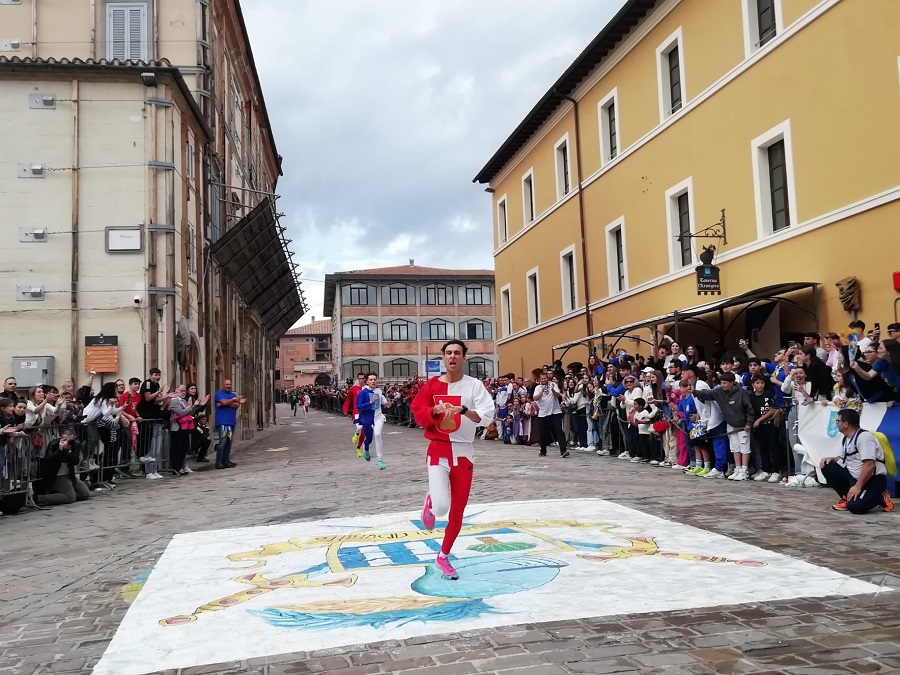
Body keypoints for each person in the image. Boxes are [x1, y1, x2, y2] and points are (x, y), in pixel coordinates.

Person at [411, 340, 496, 580]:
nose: (452, 357)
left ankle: (443, 556)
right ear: (443, 357)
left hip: (463, 453)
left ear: (463, 358)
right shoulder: (431, 385)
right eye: (448, 353)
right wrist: (434, 411)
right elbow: (418, 413)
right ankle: (430, 502)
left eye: (457, 353)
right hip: (438, 452)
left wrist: (464, 410)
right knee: (441, 508)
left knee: (457, 512)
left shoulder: (474, 386)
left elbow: (486, 416)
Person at [820, 408, 893, 514]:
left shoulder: (864, 437)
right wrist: (833, 459)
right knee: (827, 466)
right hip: (854, 476)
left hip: (872, 479)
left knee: (856, 507)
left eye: (838, 421)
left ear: (846, 424)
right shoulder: (846, 439)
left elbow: (869, 465)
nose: (836, 424)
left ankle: (882, 496)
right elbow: (846, 457)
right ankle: (846, 498)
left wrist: (858, 486)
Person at [533, 372, 570, 458]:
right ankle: (543, 450)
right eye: (542, 379)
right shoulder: (538, 387)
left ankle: (563, 450)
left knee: (559, 430)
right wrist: (542, 391)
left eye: (545, 378)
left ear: (548, 378)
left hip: (555, 411)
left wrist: (552, 389)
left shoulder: (553, 384)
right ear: (539, 379)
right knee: (543, 432)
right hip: (543, 413)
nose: (544, 380)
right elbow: (535, 398)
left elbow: (557, 396)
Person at [214, 379, 245, 469]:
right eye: (227, 384)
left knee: (229, 443)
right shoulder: (218, 394)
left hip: (231, 422)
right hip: (222, 422)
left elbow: (236, 405)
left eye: (230, 384)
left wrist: (226, 403)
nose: (229, 386)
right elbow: (224, 402)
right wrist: (233, 400)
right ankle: (218, 462)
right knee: (223, 442)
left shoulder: (232, 395)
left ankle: (226, 460)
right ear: (223, 385)